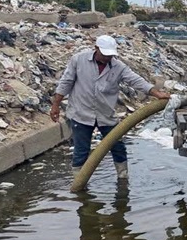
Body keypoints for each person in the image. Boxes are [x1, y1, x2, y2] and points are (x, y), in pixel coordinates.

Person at [50, 35, 170, 180]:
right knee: (81, 151)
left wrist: (157, 93)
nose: (107, 58)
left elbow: (136, 81)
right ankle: (79, 182)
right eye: (104, 54)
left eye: (110, 55)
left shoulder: (118, 67)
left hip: (105, 114)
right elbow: (66, 82)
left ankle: (123, 176)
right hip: (81, 113)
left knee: (117, 146)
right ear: (96, 49)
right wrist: (56, 105)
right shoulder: (79, 60)